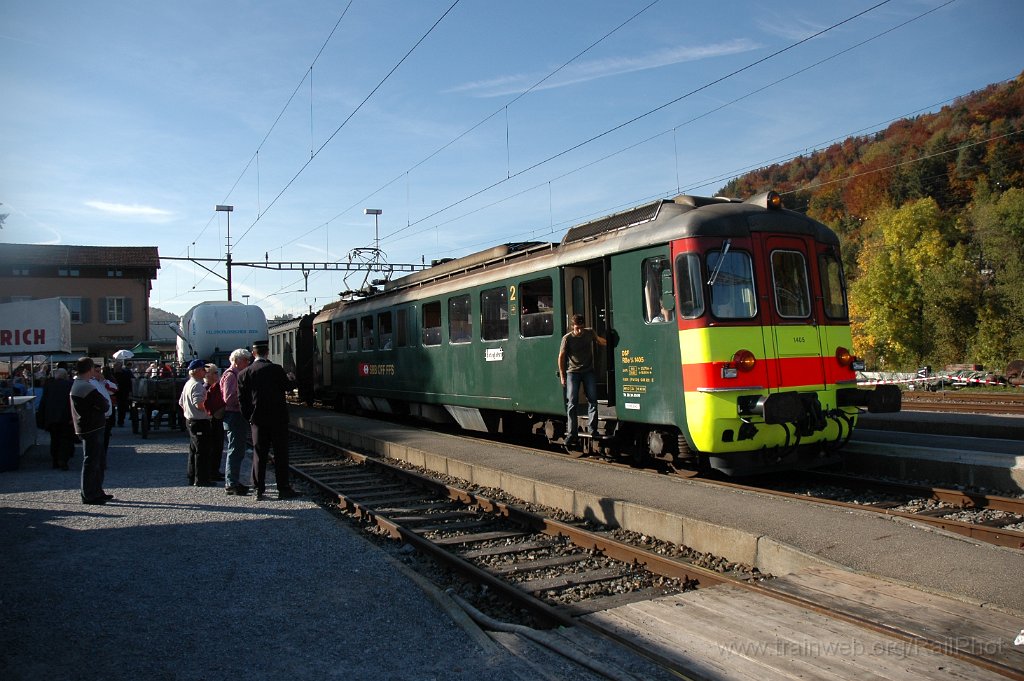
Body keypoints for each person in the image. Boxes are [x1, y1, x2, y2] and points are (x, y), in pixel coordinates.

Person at [239, 340, 301, 500]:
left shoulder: (244, 373)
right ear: (267, 352)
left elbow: (242, 401)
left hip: (258, 420)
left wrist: (250, 418)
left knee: (259, 454)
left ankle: (258, 489)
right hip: (278, 419)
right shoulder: (276, 369)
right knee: (281, 454)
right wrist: (292, 378)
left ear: (253, 354)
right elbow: (288, 387)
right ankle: (283, 488)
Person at [557, 314, 607, 446]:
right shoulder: (567, 338)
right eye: (577, 328)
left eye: (581, 328)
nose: (579, 331)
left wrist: (611, 341)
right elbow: (561, 357)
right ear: (572, 327)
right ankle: (572, 433)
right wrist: (562, 376)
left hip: (588, 371)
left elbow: (599, 341)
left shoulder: (589, 333)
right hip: (573, 372)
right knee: (572, 402)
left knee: (593, 400)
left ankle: (593, 430)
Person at [69, 357, 113, 504]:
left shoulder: (80, 384)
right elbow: (104, 405)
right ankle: (89, 494)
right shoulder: (85, 387)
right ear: (90, 369)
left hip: (90, 426)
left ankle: (96, 491)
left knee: (97, 461)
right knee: (92, 462)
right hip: (92, 427)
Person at [220, 348, 252, 496]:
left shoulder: (235, 374)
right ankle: (231, 483)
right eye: (246, 360)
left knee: (237, 450)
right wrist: (245, 402)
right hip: (234, 415)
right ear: (237, 361)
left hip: (235, 416)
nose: (248, 363)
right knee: (235, 450)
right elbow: (229, 398)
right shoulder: (231, 376)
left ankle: (233, 481)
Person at [178, 359, 215, 487]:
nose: (205, 372)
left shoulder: (188, 384)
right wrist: (210, 408)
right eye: (203, 369)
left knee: (193, 450)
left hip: (190, 420)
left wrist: (188, 412)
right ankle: (201, 479)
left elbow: (181, 402)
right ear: (198, 371)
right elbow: (199, 404)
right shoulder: (198, 385)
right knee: (202, 451)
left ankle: (192, 476)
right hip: (199, 421)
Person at [39, 368, 75, 470]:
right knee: (65, 439)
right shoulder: (70, 385)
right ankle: (63, 460)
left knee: (54, 439)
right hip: (66, 417)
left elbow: (43, 402)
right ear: (65, 375)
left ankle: (55, 460)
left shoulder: (49, 386)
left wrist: (43, 418)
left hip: (52, 417)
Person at [203, 364, 226, 484]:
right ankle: (211, 472)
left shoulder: (216, 386)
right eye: (215, 373)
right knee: (212, 446)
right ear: (208, 375)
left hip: (218, 418)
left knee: (218, 446)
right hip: (211, 419)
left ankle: (215, 470)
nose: (218, 375)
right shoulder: (206, 388)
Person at [113, 361, 133, 426]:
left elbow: (130, 381)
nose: (116, 368)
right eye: (115, 366)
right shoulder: (112, 373)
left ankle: (121, 421)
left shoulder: (126, 373)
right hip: (113, 392)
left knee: (122, 407)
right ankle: (112, 422)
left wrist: (130, 391)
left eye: (118, 366)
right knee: (112, 407)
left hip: (123, 392)